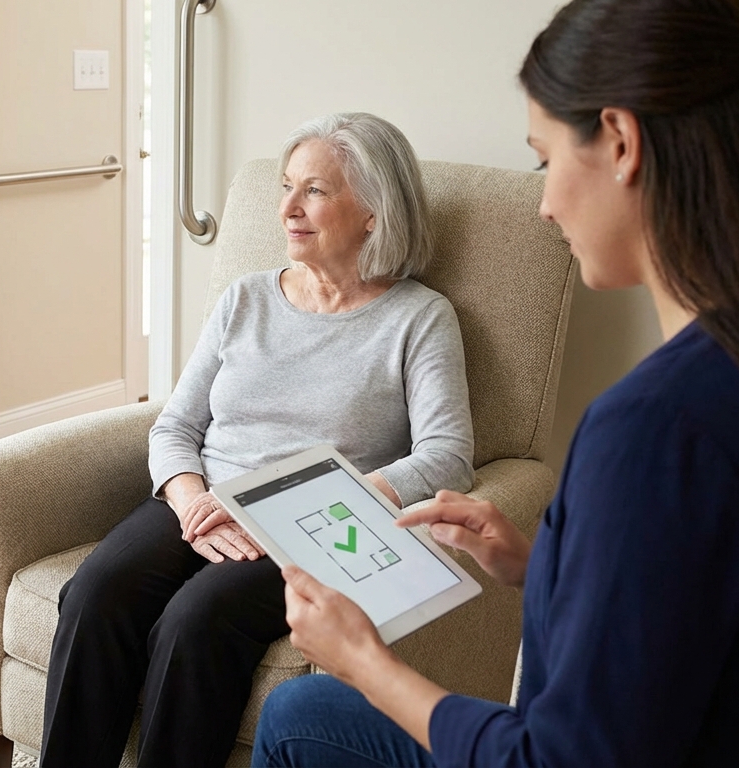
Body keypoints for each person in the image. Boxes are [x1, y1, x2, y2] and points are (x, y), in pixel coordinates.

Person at [251, 0, 739, 766]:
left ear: (621, 142)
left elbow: (560, 757)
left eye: (546, 160)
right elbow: (712, 605)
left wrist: (366, 662)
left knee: (303, 711)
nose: (547, 205)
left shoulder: (656, 427)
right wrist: (544, 565)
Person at [37, 112, 475, 768]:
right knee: (96, 592)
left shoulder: (419, 318)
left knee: (193, 623)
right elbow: (177, 427)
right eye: (286, 186)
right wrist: (188, 501)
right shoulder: (245, 299)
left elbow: (448, 455)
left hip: (314, 524)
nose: (289, 209)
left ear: (375, 213)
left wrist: (300, 506)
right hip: (202, 501)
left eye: (316, 191)